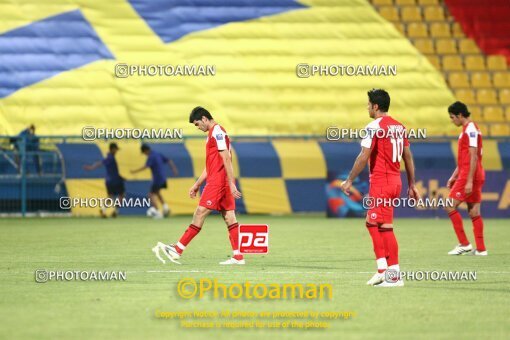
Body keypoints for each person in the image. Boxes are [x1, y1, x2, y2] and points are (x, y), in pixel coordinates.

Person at [340, 89, 419, 287]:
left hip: (382, 182)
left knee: (378, 225)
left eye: (368, 104)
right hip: (396, 181)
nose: (367, 107)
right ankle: (387, 272)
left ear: (375, 106)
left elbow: (363, 156)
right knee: (379, 224)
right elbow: (407, 157)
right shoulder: (399, 127)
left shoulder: (373, 127)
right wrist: (412, 184)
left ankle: (389, 274)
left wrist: (349, 180)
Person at [152, 106, 244, 265]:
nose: (198, 127)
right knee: (229, 216)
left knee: (200, 212)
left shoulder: (217, 132)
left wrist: (230, 183)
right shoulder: (212, 134)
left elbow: (227, 158)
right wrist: (197, 184)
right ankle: (238, 256)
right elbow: (210, 166)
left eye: (197, 124)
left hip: (219, 181)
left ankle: (178, 249)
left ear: (204, 119)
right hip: (218, 179)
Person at [445, 101, 487, 256]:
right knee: (474, 211)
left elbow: (473, 155)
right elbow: (464, 158)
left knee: (449, 205)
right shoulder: (468, 129)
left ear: (460, 115)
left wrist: (468, 180)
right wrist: (453, 176)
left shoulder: (470, 129)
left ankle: (464, 244)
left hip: (471, 174)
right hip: (470, 173)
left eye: (452, 117)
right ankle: (481, 249)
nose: (452, 120)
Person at [131, 144, 178, 218]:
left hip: (157, 178)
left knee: (150, 195)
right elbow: (169, 160)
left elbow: (145, 166)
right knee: (157, 193)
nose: (144, 154)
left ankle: (157, 212)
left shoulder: (151, 157)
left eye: (144, 153)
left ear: (146, 150)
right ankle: (166, 208)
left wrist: (134, 171)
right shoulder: (157, 154)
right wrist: (174, 169)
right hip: (162, 178)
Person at [83, 142, 125, 218]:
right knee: (121, 195)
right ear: (112, 149)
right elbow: (101, 163)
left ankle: (104, 210)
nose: (116, 151)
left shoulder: (111, 157)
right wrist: (91, 167)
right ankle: (115, 211)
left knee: (110, 196)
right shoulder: (110, 158)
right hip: (114, 180)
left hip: (110, 180)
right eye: (116, 149)